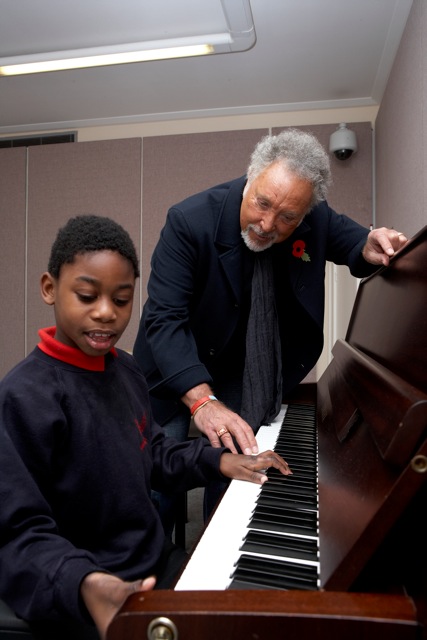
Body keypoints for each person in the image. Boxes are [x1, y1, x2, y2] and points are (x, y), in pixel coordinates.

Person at [0, 215, 291, 640]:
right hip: (83, 585)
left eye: (121, 300)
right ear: (49, 288)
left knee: (249, 615)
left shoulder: (127, 370)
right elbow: (17, 531)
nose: (106, 313)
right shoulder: (24, 396)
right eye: (87, 296)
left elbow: (151, 451)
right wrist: (84, 582)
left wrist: (220, 461)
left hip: (153, 560)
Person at [133, 128, 408, 531]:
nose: (267, 224)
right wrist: (202, 401)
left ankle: (215, 542)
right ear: (251, 177)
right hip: (171, 364)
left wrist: (371, 243)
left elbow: (354, 244)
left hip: (238, 368)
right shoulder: (189, 221)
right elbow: (164, 320)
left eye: (287, 218)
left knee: (234, 467)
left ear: (304, 212)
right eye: (262, 204)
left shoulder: (314, 217)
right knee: (160, 483)